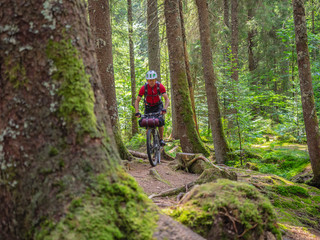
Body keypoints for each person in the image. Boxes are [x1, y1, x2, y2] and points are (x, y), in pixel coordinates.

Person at [135, 70, 170, 146]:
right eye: (150, 80)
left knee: (160, 122)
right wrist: (137, 112)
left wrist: (165, 108)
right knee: (148, 123)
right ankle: (149, 143)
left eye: (153, 80)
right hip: (148, 106)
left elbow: (167, 99)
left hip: (158, 106)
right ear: (147, 80)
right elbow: (137, 100)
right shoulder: (144, 88)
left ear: (155, 80)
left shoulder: (159, 86)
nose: (151, 82)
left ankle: (161, 139)